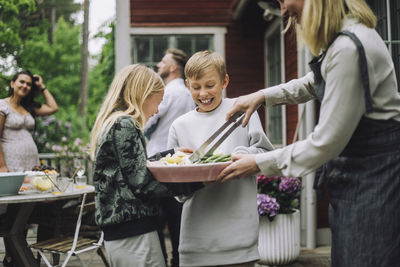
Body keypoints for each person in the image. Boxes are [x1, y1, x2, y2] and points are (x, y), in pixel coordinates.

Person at [217, 1, 400, 266]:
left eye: (283, 1)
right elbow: (314, 82)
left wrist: (258, 163)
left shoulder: (349, 48)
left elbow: (325, 144)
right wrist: (262, 96)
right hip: (358, 181)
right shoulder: (341, 41)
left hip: (375, 184)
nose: (283, 11)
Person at [168, 50, 274, 267]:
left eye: (210, 85)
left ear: (224, 81)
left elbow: (265, 156)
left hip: (239, 239)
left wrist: (244, 156)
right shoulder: (179, 126)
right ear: (188, 85)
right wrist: (187, 172)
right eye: (196, 87)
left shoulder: (243, 111)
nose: (203, 93)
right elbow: (175, 191)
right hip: (195, 243)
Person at [90, 64, 198, 267]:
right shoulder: (126, 124)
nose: (157, 110)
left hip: (120, 232)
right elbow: (142, 183)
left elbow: (132, 166)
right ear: (143, 95)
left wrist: (171, 154)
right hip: (134, 231)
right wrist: (196, 181)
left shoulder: (112, 123)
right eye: (157, 102)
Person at [0, 70, 58, 267]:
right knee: (12, 212)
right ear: (13, 83)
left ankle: (16, 256)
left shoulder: (30, 107)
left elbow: (53, 108)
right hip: (11, 164)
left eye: (28, 85)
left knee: (24, 212)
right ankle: (10, 256)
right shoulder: (2, 106)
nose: (25, 86)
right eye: (22, 82)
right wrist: (2, 165)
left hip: (29, 165)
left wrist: (42, 87)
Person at [144, 48, 195, 267]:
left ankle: (160, 262)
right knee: (177, 219)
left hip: (158, 160)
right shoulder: (187, 93)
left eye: (163, 62)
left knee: (156, 219)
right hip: (180, 162)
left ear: (174, 67)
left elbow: (149, 120)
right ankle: (178, 262)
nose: (158, 65)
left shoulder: (167, 92)